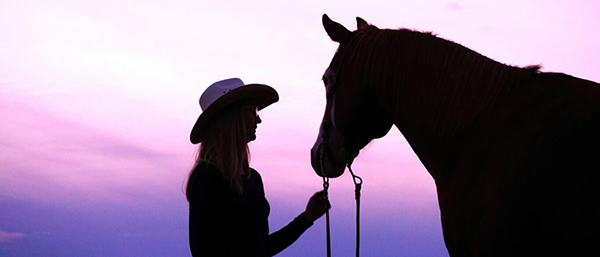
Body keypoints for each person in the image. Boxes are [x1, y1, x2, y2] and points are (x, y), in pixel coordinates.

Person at [186, 78, 330, 256]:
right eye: (252, 111)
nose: (259, 119)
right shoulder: (206, 177)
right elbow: (203, 251)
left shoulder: (252, 178)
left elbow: (262, 248)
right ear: (232, 118)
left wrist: (307, 217)